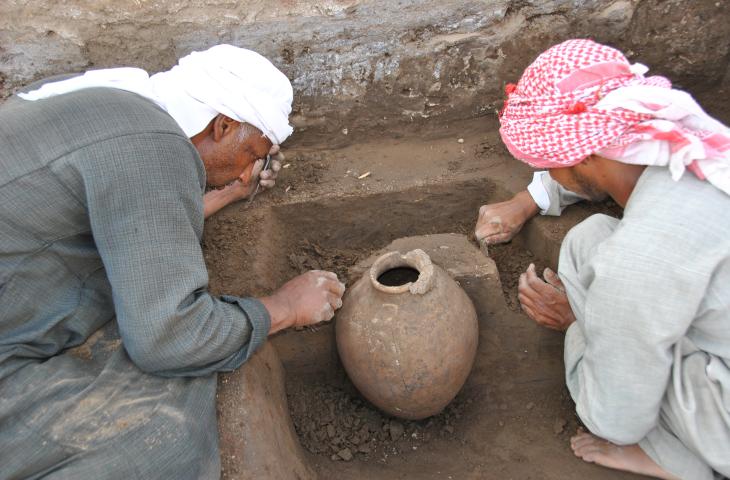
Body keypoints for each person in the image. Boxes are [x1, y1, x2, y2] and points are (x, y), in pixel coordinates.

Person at [0, 44, 345, 479]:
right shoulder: (154, 148)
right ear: (222, 125)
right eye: (251, 154)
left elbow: (122, 212)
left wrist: (216, 194)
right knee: (163, 438)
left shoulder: (116, 100)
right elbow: (168, 339)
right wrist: (284, 308)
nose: (246, 175)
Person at [479, 39, 730, 480]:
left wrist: (578, 325)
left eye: (548, 160)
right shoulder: (693, 145)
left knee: (614, 402)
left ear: (587, 151)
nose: (546, 168)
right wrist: (528, 199)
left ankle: (680, 460)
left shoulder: (639, 259)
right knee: (589, 239)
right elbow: (592, 169)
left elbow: (614, 419)